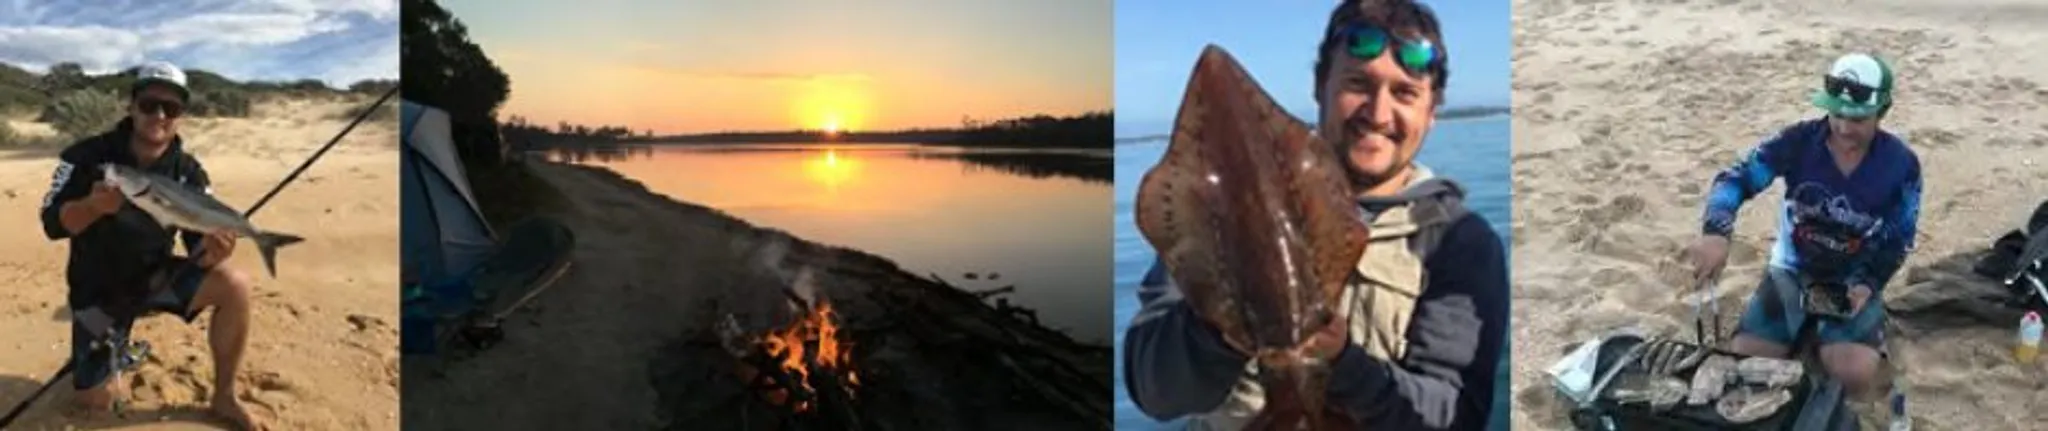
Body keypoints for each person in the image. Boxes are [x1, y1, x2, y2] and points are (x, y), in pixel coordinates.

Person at [1122, 1, 1510, 429]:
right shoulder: (1224, 211)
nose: (1378, 114)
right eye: (1358, 83)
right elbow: (1155, 392)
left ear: (1431, 112)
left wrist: (1343, 362)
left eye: (1405, 93)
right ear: (1321, 86)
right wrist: (1222, 324)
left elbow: (1455, 416)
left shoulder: (1458, 242)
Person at [39, 61, 266, 430]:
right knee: (97, 401)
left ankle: (225, 395)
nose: (159, 115)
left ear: (180, 116)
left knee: (234, 283)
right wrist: (91, 207)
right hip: (95, 292)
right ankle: (120, 351)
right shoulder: (84, 156)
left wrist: (215, 250)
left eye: (171, 108)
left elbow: (198, 251)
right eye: (148, 104)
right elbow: (51, 225)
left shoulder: (190, 172)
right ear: (131, 106)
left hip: (155, 281)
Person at [1689, 52, 1921, 398]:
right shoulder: (1798, 141)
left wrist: (1868, 284)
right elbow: (1735, 180)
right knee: (1748, 362)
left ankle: (1850, 329)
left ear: (1882, 113)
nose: (1843, 128)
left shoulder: (1901, 165)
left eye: (1858, 119)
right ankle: (1804, 328)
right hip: (1792, 269)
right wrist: (1716, 231)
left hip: (1851, 277)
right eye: (1837, 114)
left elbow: (1898, 239)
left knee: (1853, 375)